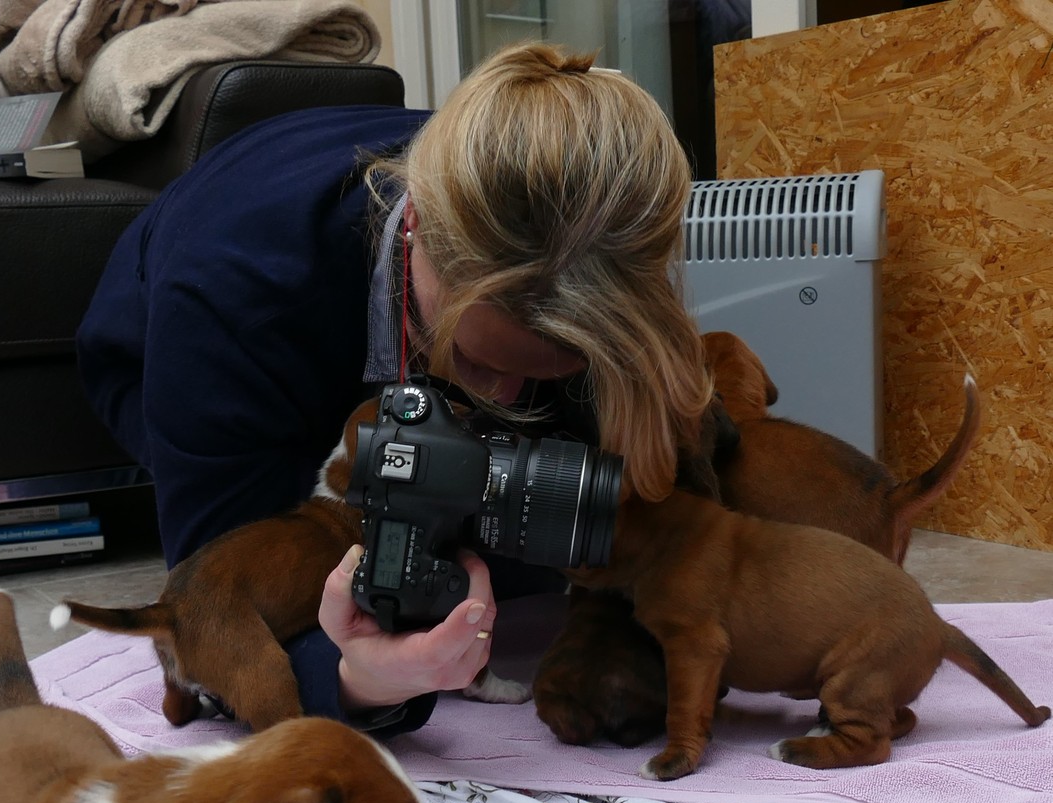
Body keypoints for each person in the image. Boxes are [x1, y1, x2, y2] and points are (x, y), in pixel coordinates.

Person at [76, 41, 713, 734]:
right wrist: (364, 680)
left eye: (544, 375)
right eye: (477, 364)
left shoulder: (566, 218)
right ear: (415, 232)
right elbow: (216, 623)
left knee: (502, 541)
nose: (501, 397)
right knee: (327, 568)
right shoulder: (231, 298)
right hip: (191, 336)